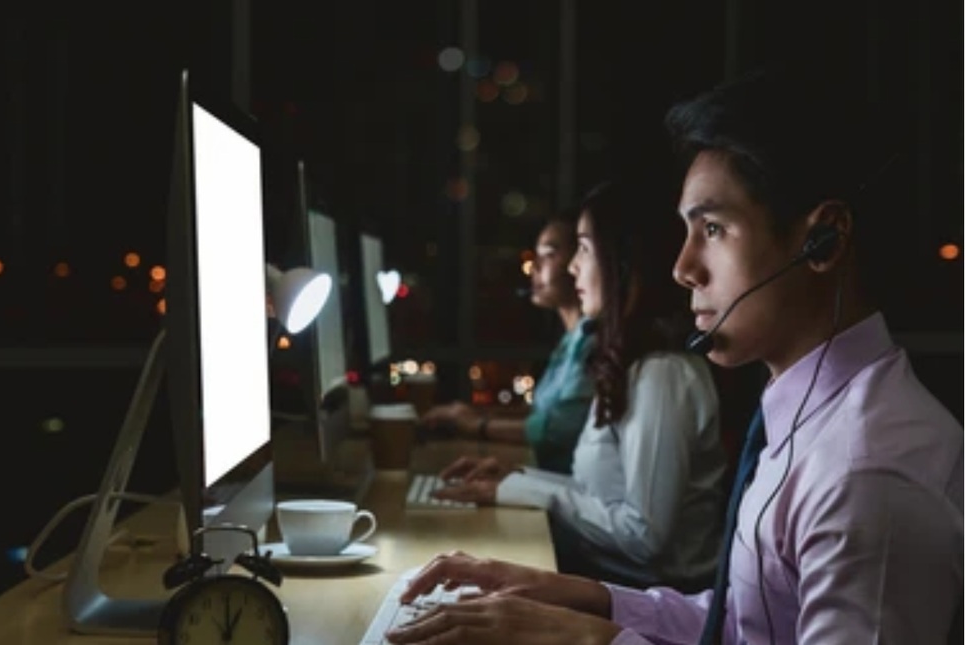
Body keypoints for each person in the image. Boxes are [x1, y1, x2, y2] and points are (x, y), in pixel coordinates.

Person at [385, 62, 964, 645]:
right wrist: (577, 596)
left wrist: (586, 639)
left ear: (824, 241)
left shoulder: (866, 472)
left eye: (712, 229)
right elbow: (742, 624)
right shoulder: (805, 414)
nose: (683, 269)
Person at [428, 181, 727, 591]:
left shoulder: (662, 374)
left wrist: (528, 490)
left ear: (622, 262)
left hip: (644, 601)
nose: (572, 267)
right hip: (606, 580)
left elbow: (645, 535)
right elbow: (600, 497)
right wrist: (517, 477)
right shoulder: (631, 365)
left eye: (584, 249)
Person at [421, 212, 595, 475]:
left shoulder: (593, 341)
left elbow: (559, 429)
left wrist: (477, 425)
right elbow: (540, 413)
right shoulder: (571, 339)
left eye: (548, 254)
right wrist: (474, 411)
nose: (534, 266)